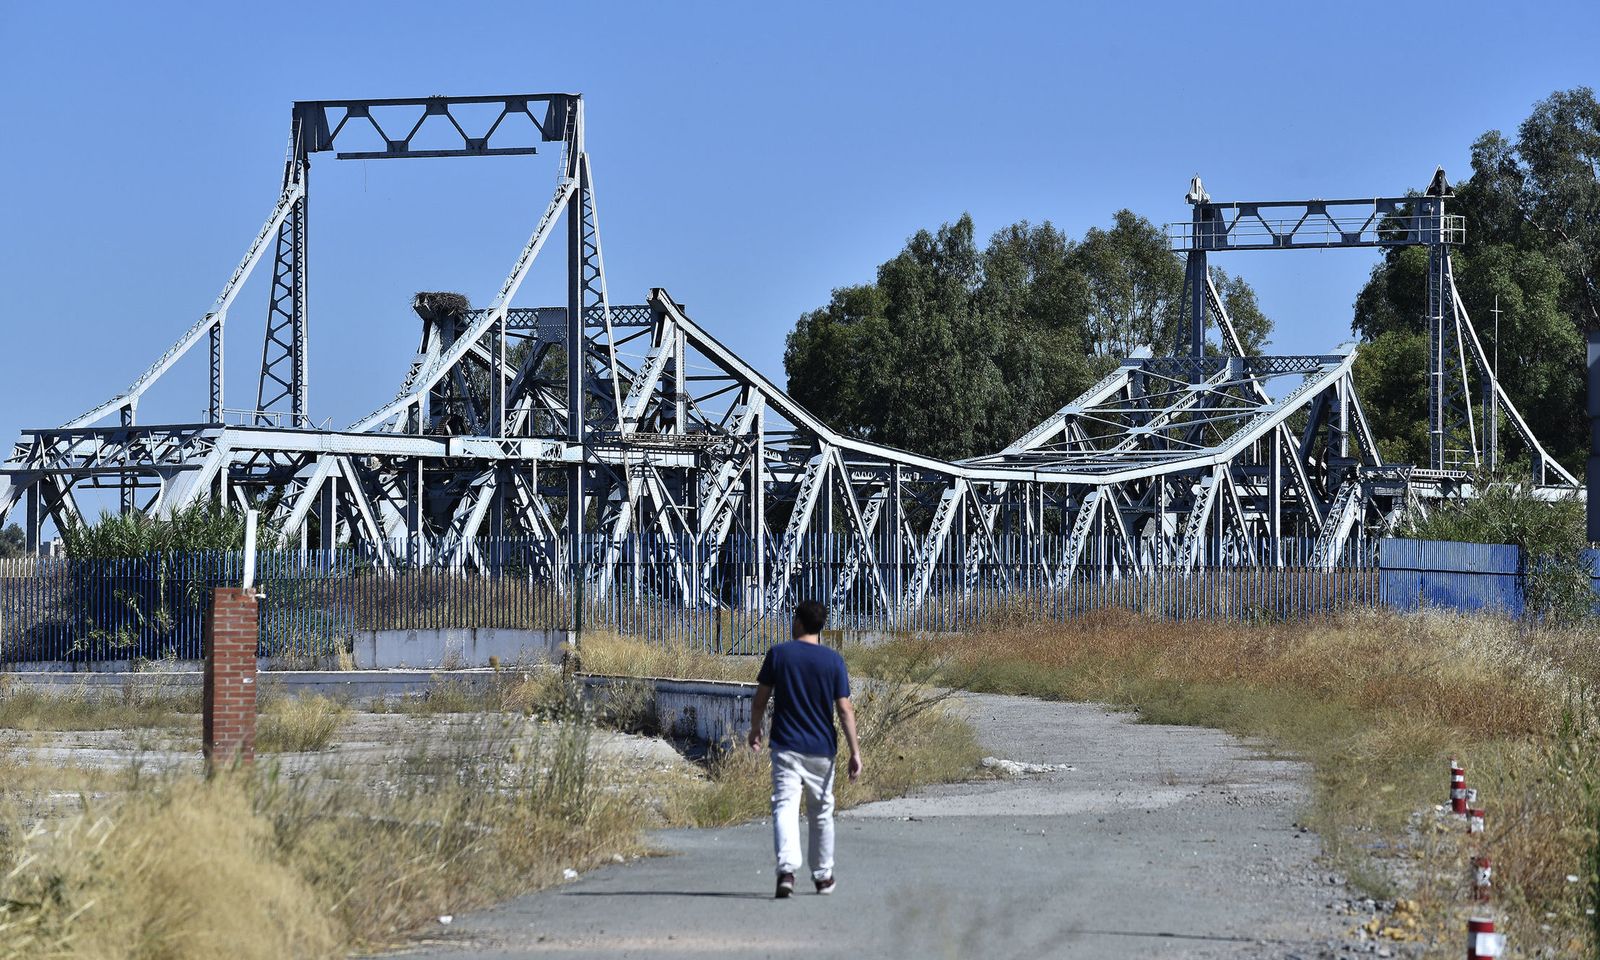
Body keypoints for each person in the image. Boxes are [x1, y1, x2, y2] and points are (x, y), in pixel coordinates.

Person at [747, 599, 862, 899]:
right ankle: (823, 876)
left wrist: (755, 728)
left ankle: (786, 872)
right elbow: (845, 710)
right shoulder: (833, 660)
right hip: (822, 749)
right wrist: (855, 752)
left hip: (786, 746)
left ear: (798, 622)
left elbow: (760, 699)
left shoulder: (779, 654)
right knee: (821, 811)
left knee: (785, 806)